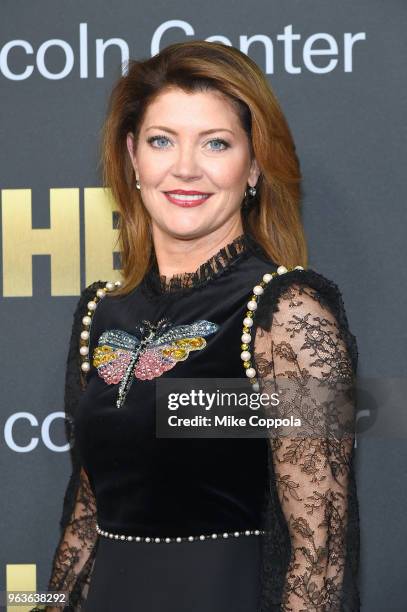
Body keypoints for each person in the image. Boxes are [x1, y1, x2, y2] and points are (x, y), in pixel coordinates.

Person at [35, 40, 360, 611]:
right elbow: (85, 522)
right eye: (163, 141)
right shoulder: (100, 312)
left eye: (216, 143)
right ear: (133, 157)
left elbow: (320, 555)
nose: (185, 168)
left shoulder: (288, 313)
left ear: (254, 163)